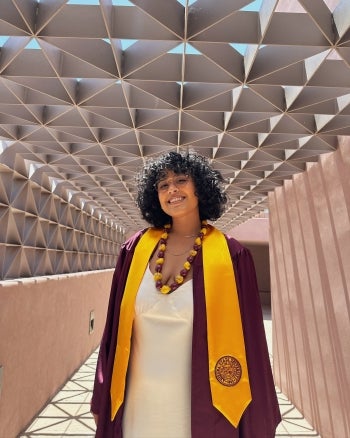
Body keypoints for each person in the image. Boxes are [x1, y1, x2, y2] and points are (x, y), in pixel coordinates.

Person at [91, 150, 281, 437]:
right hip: (136, 405)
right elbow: (113, 332)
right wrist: (101, 395)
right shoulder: (134, 251)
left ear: (200, 188)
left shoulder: (232, 257)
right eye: (163, 185)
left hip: (202, 409)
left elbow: (251, 339)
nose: (172, 190)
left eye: (181, 180)